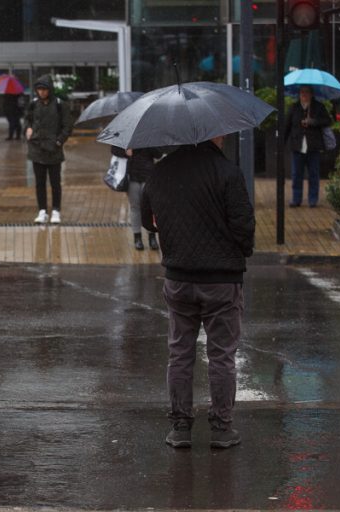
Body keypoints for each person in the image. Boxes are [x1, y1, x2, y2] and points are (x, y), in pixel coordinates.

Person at [140, 135, 255, 450]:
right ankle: (221, 428)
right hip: (222, 280)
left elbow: (147, 222)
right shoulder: (228, 172)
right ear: (215, 134)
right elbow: (244, 228)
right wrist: (239, 252)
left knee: (180, 353)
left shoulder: (160, 172)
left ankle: (180, 427)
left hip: (178, 278)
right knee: (221, 355)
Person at [23, 75, 73, 224]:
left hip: (54, 150)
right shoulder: (33, 104)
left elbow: (68, 126)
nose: (42, 92)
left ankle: (56, 210)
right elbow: (27, 120)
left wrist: (59, 141)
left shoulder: (60, 104)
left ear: (49, 89)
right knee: (39, 182)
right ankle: (42, 210)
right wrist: (28, 129)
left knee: (55, 182)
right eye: (39, 89)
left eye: (44, 89)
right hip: (36, 148)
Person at [284, 85, 332, 208]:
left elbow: (327, 121)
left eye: (306, 92)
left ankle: (312, 200)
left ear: (311, 94)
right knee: (296, 174)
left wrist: (313, 122)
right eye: (302, 92)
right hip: (297, 146)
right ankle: (296, 199)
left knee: (313, 174)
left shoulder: (318, 107)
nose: (304, 95)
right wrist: (282, 143)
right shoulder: (294, 107)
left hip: (313, 146)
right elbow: (287, 126)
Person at [110, 145, 162, 250]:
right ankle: (137, 237)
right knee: (135, 207)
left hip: (148, 176)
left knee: (150, 208)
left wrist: (150, 145)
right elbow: (114, 150)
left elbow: (158, 154)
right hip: (132, 176)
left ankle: (152, 237)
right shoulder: (127, 136)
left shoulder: (149, 136)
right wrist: (125, 152)